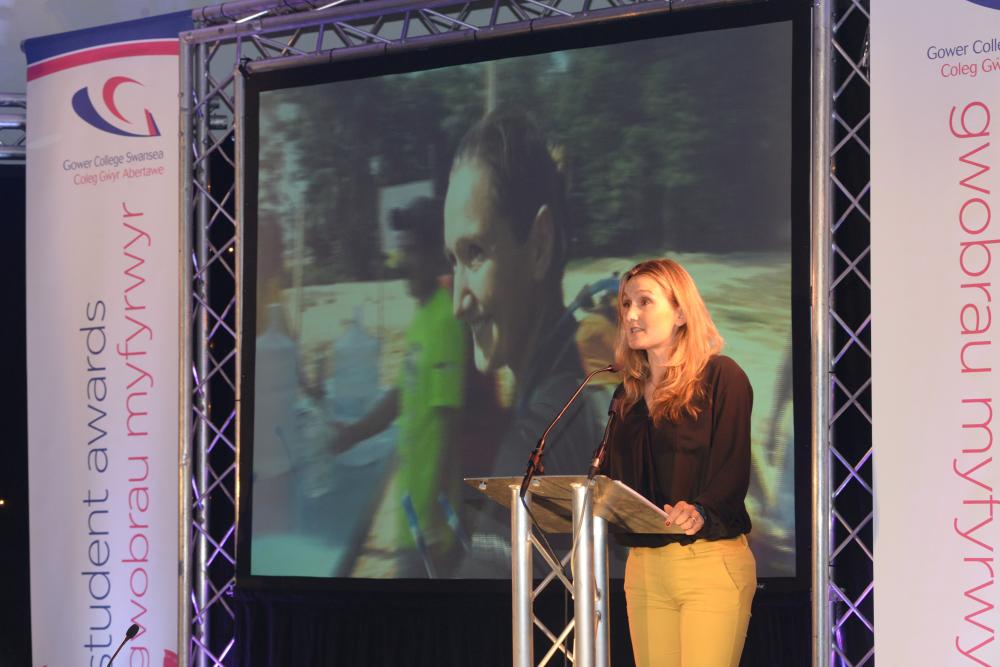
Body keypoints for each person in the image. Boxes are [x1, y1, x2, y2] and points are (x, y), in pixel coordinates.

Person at [601, 258, 757, 667]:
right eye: (625, 303)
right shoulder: (625, 397)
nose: (630, 315)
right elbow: (614, 481)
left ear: (682, 312)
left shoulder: (722, 377)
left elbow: (733, 469)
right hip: (644, 570)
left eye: (645, 302)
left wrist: (701, 509)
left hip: (708, 564)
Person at [443, 106, 602, 480]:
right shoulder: (583, 388)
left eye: (475, 253)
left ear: (539, 246)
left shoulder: (529, 458)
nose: (457, 306)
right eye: (452, 260)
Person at [332, 196, 467, 577]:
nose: (404, 262)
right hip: (411, 517)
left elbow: (450, 428)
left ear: (437, 258)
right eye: (403, 251)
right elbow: (399, 396)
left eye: (413, 251)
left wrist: (438, 523)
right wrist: (354, 433)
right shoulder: (421, 318)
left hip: (429, 531)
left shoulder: (445, 322)